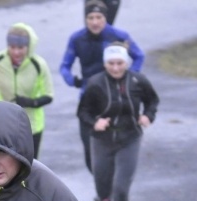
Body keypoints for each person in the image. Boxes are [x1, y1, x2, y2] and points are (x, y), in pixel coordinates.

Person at [77, 43, 159, 201]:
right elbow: (83, 111)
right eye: (111, 63)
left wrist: (147, 116)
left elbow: (152, 101)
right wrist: (95, 122)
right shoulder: (95, 83)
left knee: (121, 189)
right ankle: (103, 199)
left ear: (127, 62)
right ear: (105, 63)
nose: (115, 68)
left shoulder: (138, 81)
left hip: (130, 138)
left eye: (119, 63)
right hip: (102, 140)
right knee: (102, 181)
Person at [59, 0, 144, 186]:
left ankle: (110, 190)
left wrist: (129, 77)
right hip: (88, 101)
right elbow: (64, 66)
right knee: (90, 154)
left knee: (115, 146)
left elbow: (139, 56)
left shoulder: (119, 35)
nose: (95, 22)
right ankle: (104, 186)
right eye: (90, 17)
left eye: (99, 17)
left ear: (106, 18)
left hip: (115, 100)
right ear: (85, 19)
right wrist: (73, 80)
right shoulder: (77, 38)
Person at [0, 23, 54, 159]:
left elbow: (49, 95)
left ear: (28, 46)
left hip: (32, 125)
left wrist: (30, 102)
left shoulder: (39, 64)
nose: (16, 52)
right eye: (12, 47)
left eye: (21, 47)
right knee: (5, 163)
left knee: (28, 166)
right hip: (3, 122)